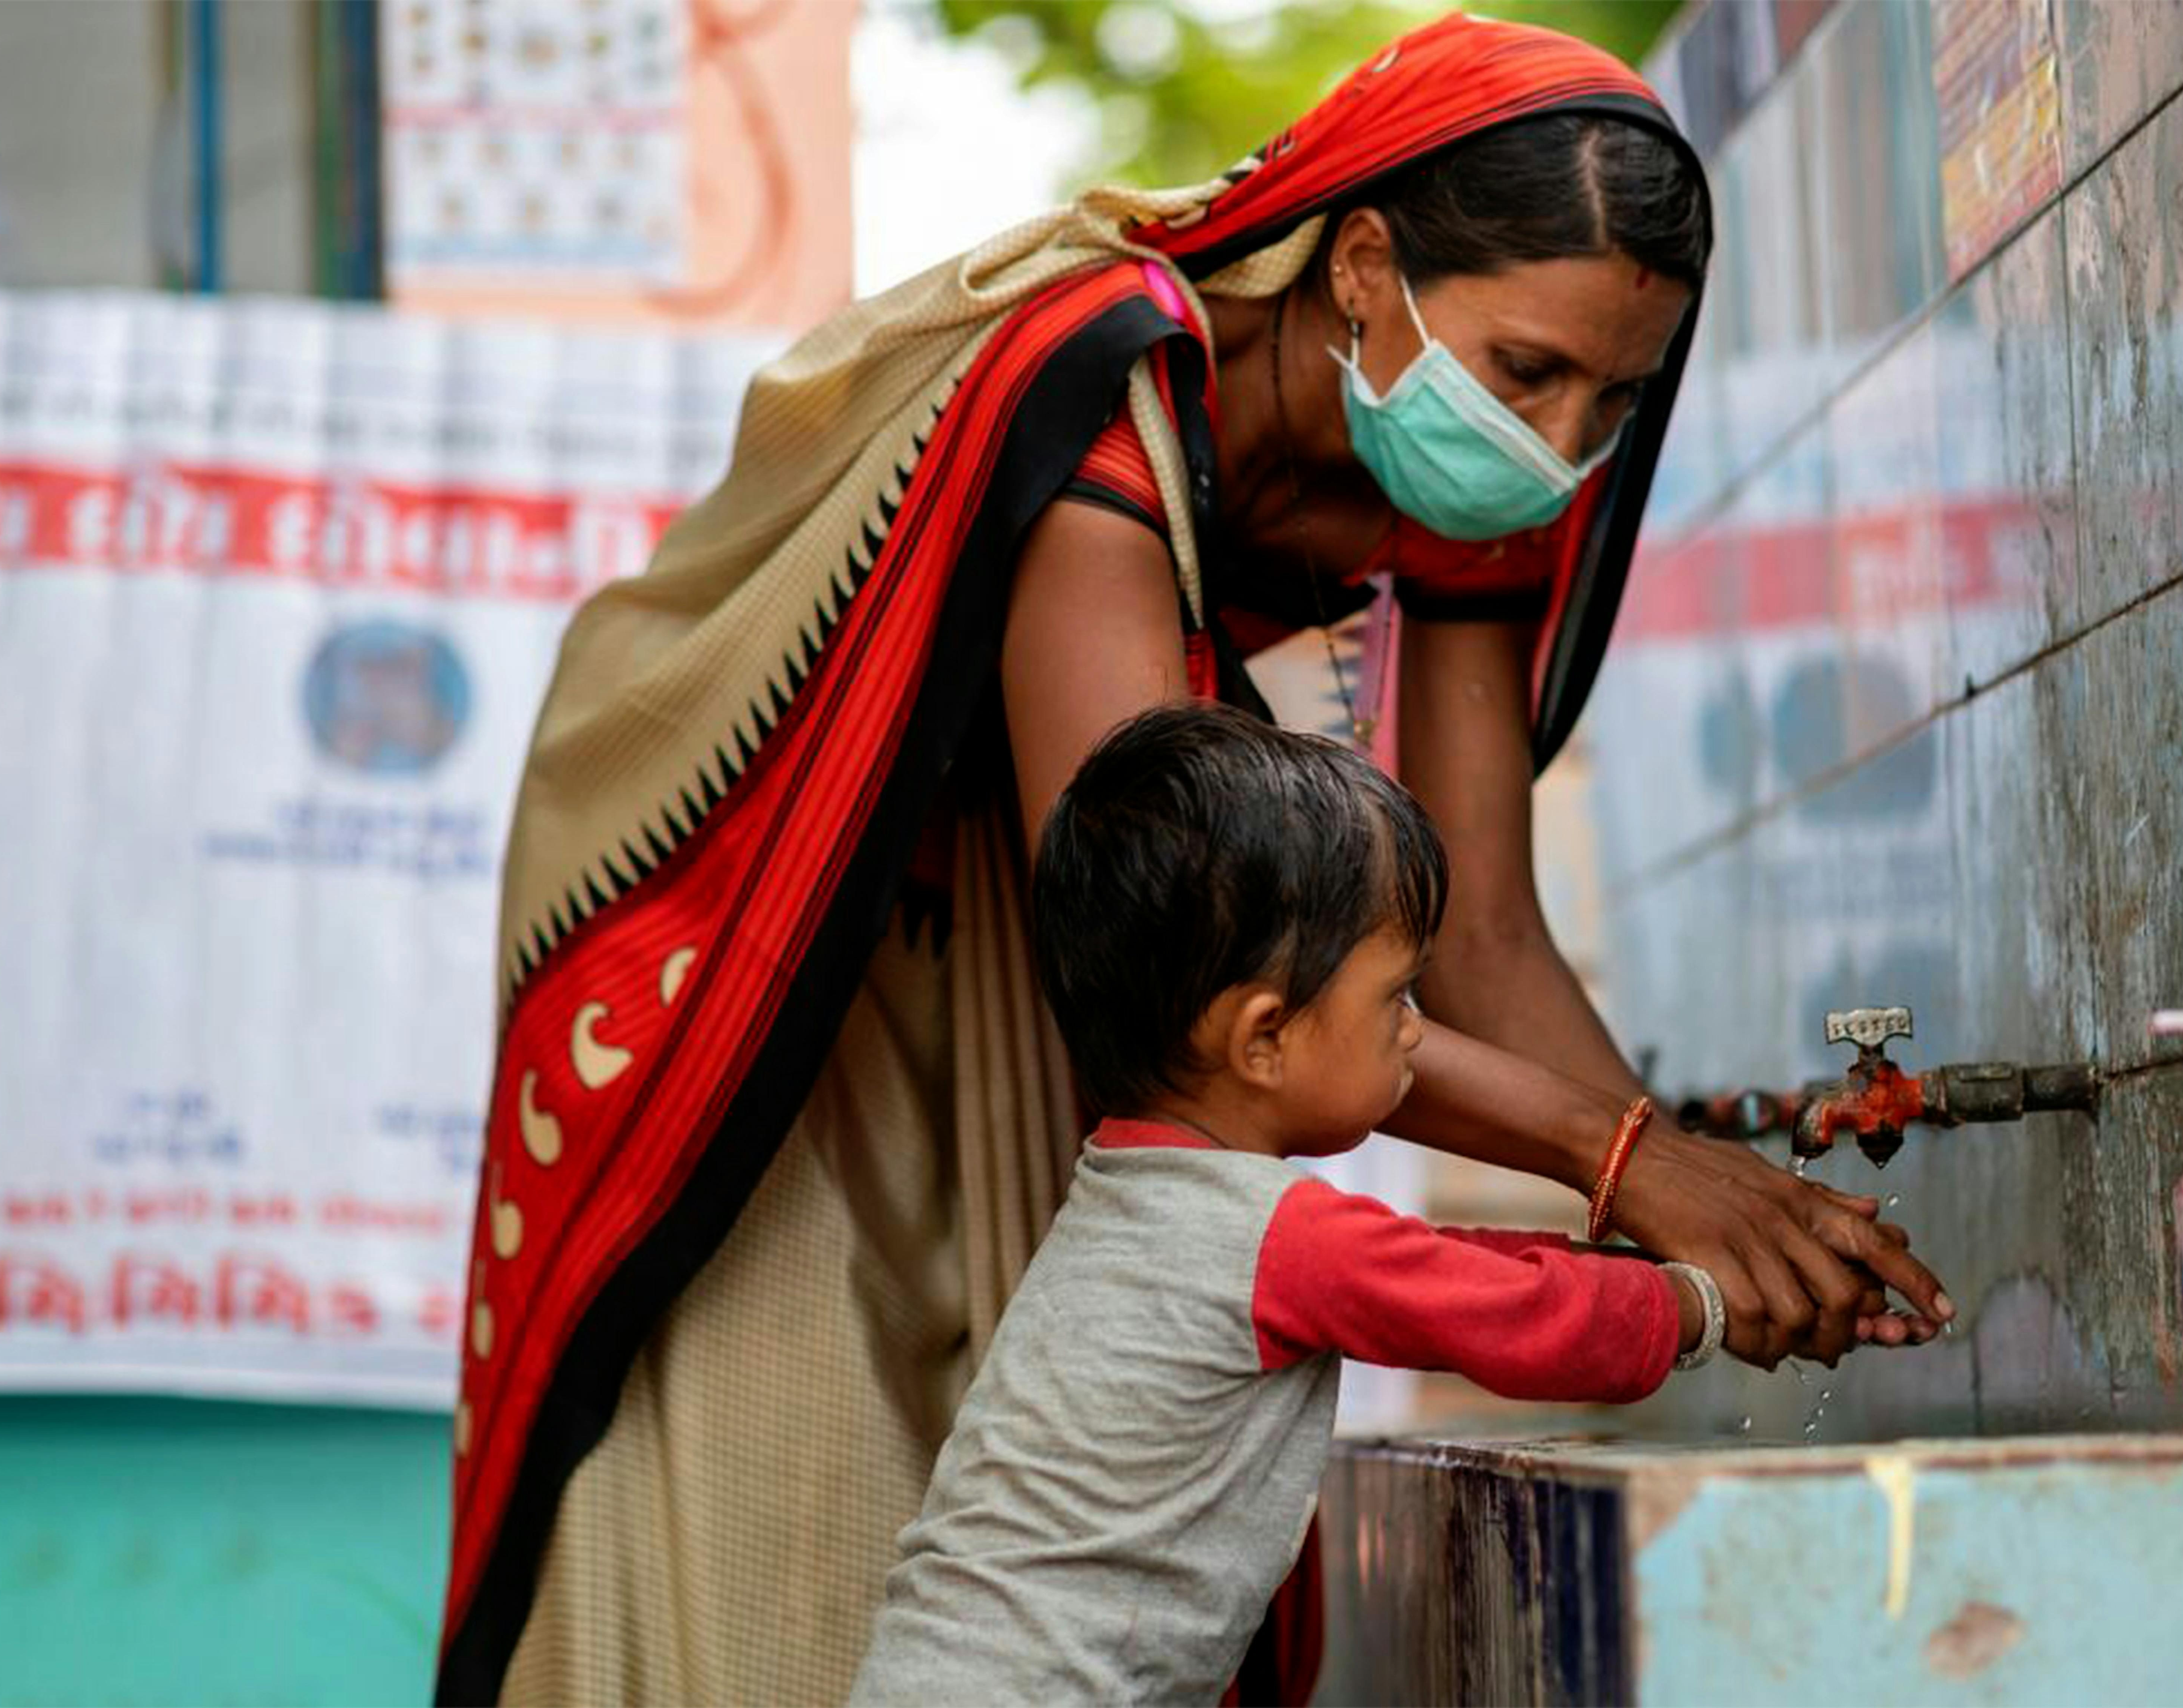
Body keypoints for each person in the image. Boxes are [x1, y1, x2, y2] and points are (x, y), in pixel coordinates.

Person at [438, 16, 1955, 1704]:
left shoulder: (1488, 483)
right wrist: (1633, 1172)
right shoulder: (1110, 378)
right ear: (1365, 266)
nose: (1561, 435)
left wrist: (1698, 1200)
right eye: (1530, 372)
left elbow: (1489, 930)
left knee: (1071, 1469)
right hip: (781, 951)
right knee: (786, 1514)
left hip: (1048, 952)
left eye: (1614, 397)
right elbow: (1196, 946)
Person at [847, 702, 1739, 1703]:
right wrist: (1706, 1306)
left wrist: (1639, 1270)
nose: (1412, 1032)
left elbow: (1440, 1268)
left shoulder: (1146, 1195)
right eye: (1397, 994)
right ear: (1262, 1036)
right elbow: (1518, 1317)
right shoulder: (1267, 1235)